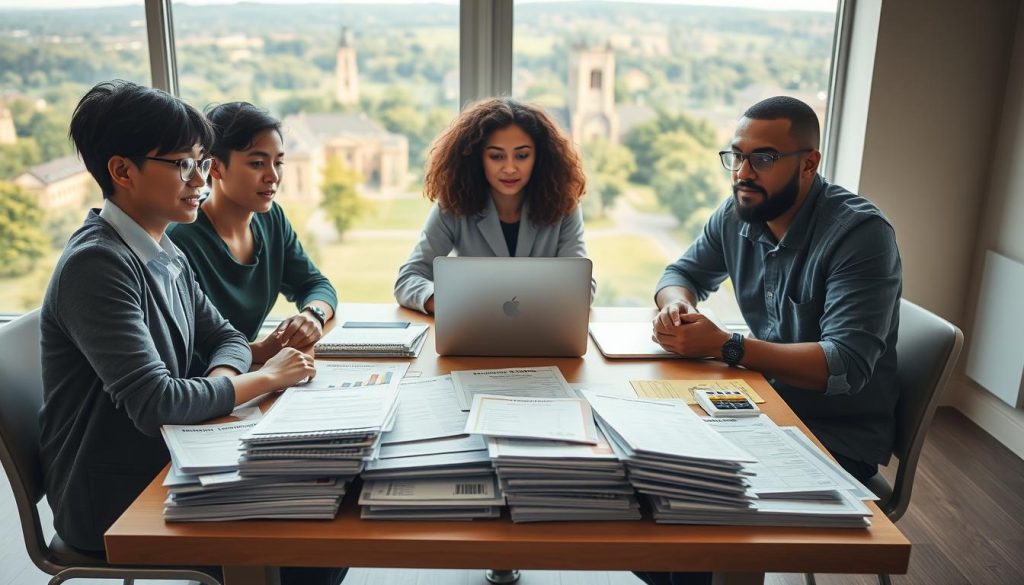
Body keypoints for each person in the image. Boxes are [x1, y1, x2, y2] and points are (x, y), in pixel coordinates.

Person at [39, 81, 342, 585]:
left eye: (203, 163)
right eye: (183, 164)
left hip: (174, 454)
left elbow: (224, 337)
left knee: (323, 502)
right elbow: (157, 404)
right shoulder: (97, 265)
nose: (200, 179)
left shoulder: (160, 247)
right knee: (310, 544)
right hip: (116, 496)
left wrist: (222, 385)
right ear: (121, 171)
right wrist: (266, 377)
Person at [642, 96, 901, 585]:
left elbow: (843, 365)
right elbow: (679, 273)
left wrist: (728, 347)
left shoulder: (861, 235)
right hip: (762, 406)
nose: (743, 171)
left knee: (698, 506)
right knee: (648, 473)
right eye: (736, 156)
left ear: (808, 163)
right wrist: (677, 305)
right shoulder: (741, 211)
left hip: (834, 433)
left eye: (762, 158)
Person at [169, 102, 336, 364]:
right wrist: (261, 351)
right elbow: (187, 354)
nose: (273, 176)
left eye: (278, 162)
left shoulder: (272, 219)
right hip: (215, 387)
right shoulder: (181, 241)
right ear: (215, 168)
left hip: (251, 372)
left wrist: (312, 315)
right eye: (257, 163)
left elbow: (315, 284)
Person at [394, 97, 592, 314]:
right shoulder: (453, 205)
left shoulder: (564, 206)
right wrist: (445, 302)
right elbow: (408, 279)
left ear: (540, 157)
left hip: (541, 336)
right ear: (477, 158)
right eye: (496, 156)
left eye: (522, 155)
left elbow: (583, 287)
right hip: (471, 329)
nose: (509, 168)